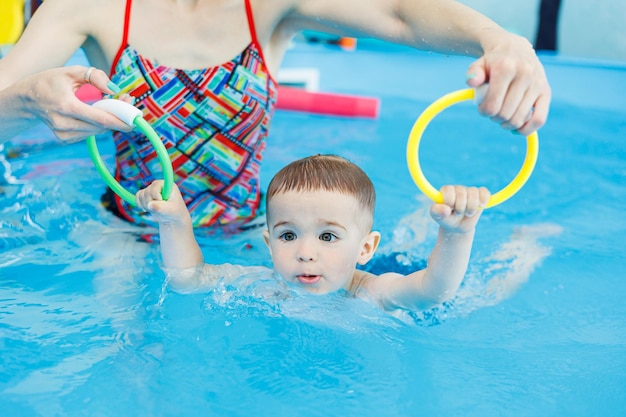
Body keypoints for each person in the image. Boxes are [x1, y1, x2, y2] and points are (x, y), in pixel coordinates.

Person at [0, 0, 548, 230]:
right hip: (122, 236)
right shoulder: (86, 6)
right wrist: (25, 102)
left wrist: (499, 39)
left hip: (252, 234)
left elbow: (402, 15)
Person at [135, 154, 490, 312]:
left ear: (365, 248)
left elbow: (433, 292)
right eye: (288, 236)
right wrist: (175, 222)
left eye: (327, 236)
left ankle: (528, 244)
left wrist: (457, 235)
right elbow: (188, 279)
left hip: (390, 268)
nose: (305, 252)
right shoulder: (265, 285)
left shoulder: (373, 294)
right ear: (269, 243)